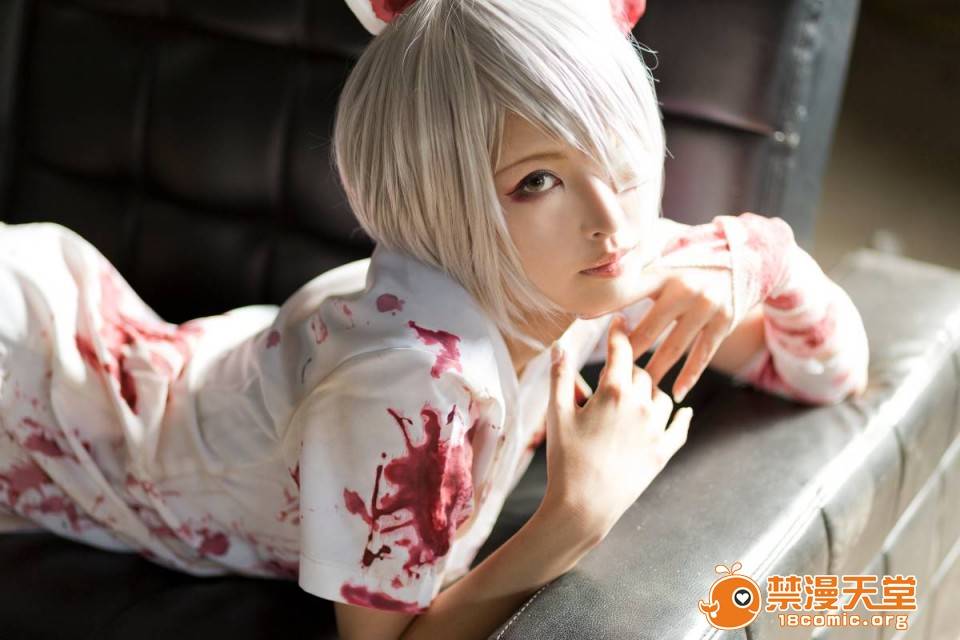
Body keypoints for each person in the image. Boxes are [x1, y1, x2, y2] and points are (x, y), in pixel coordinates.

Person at [0, 0, 868, 638]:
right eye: (537, 180)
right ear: (443, 198)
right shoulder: (407, 389)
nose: (613, 218)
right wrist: (574, 516)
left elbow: (830, 375)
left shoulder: (602, 261)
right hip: (42, 389)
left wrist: (765, 258)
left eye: (618, 155)